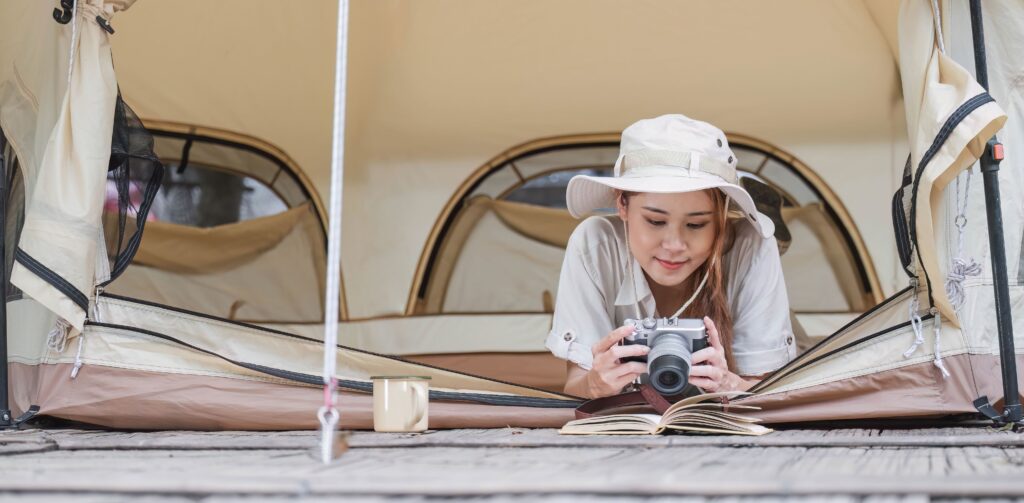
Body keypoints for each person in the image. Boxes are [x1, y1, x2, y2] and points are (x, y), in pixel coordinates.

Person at [545, 114, 796, 399]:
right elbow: (576, 384)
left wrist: (729, 384)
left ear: (722, 219)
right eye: (655, 221)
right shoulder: (595, 244)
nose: (675, 245)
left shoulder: (752, 248)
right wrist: (596, 383)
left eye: (696, 224)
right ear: (622, 204)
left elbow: (770, 394)